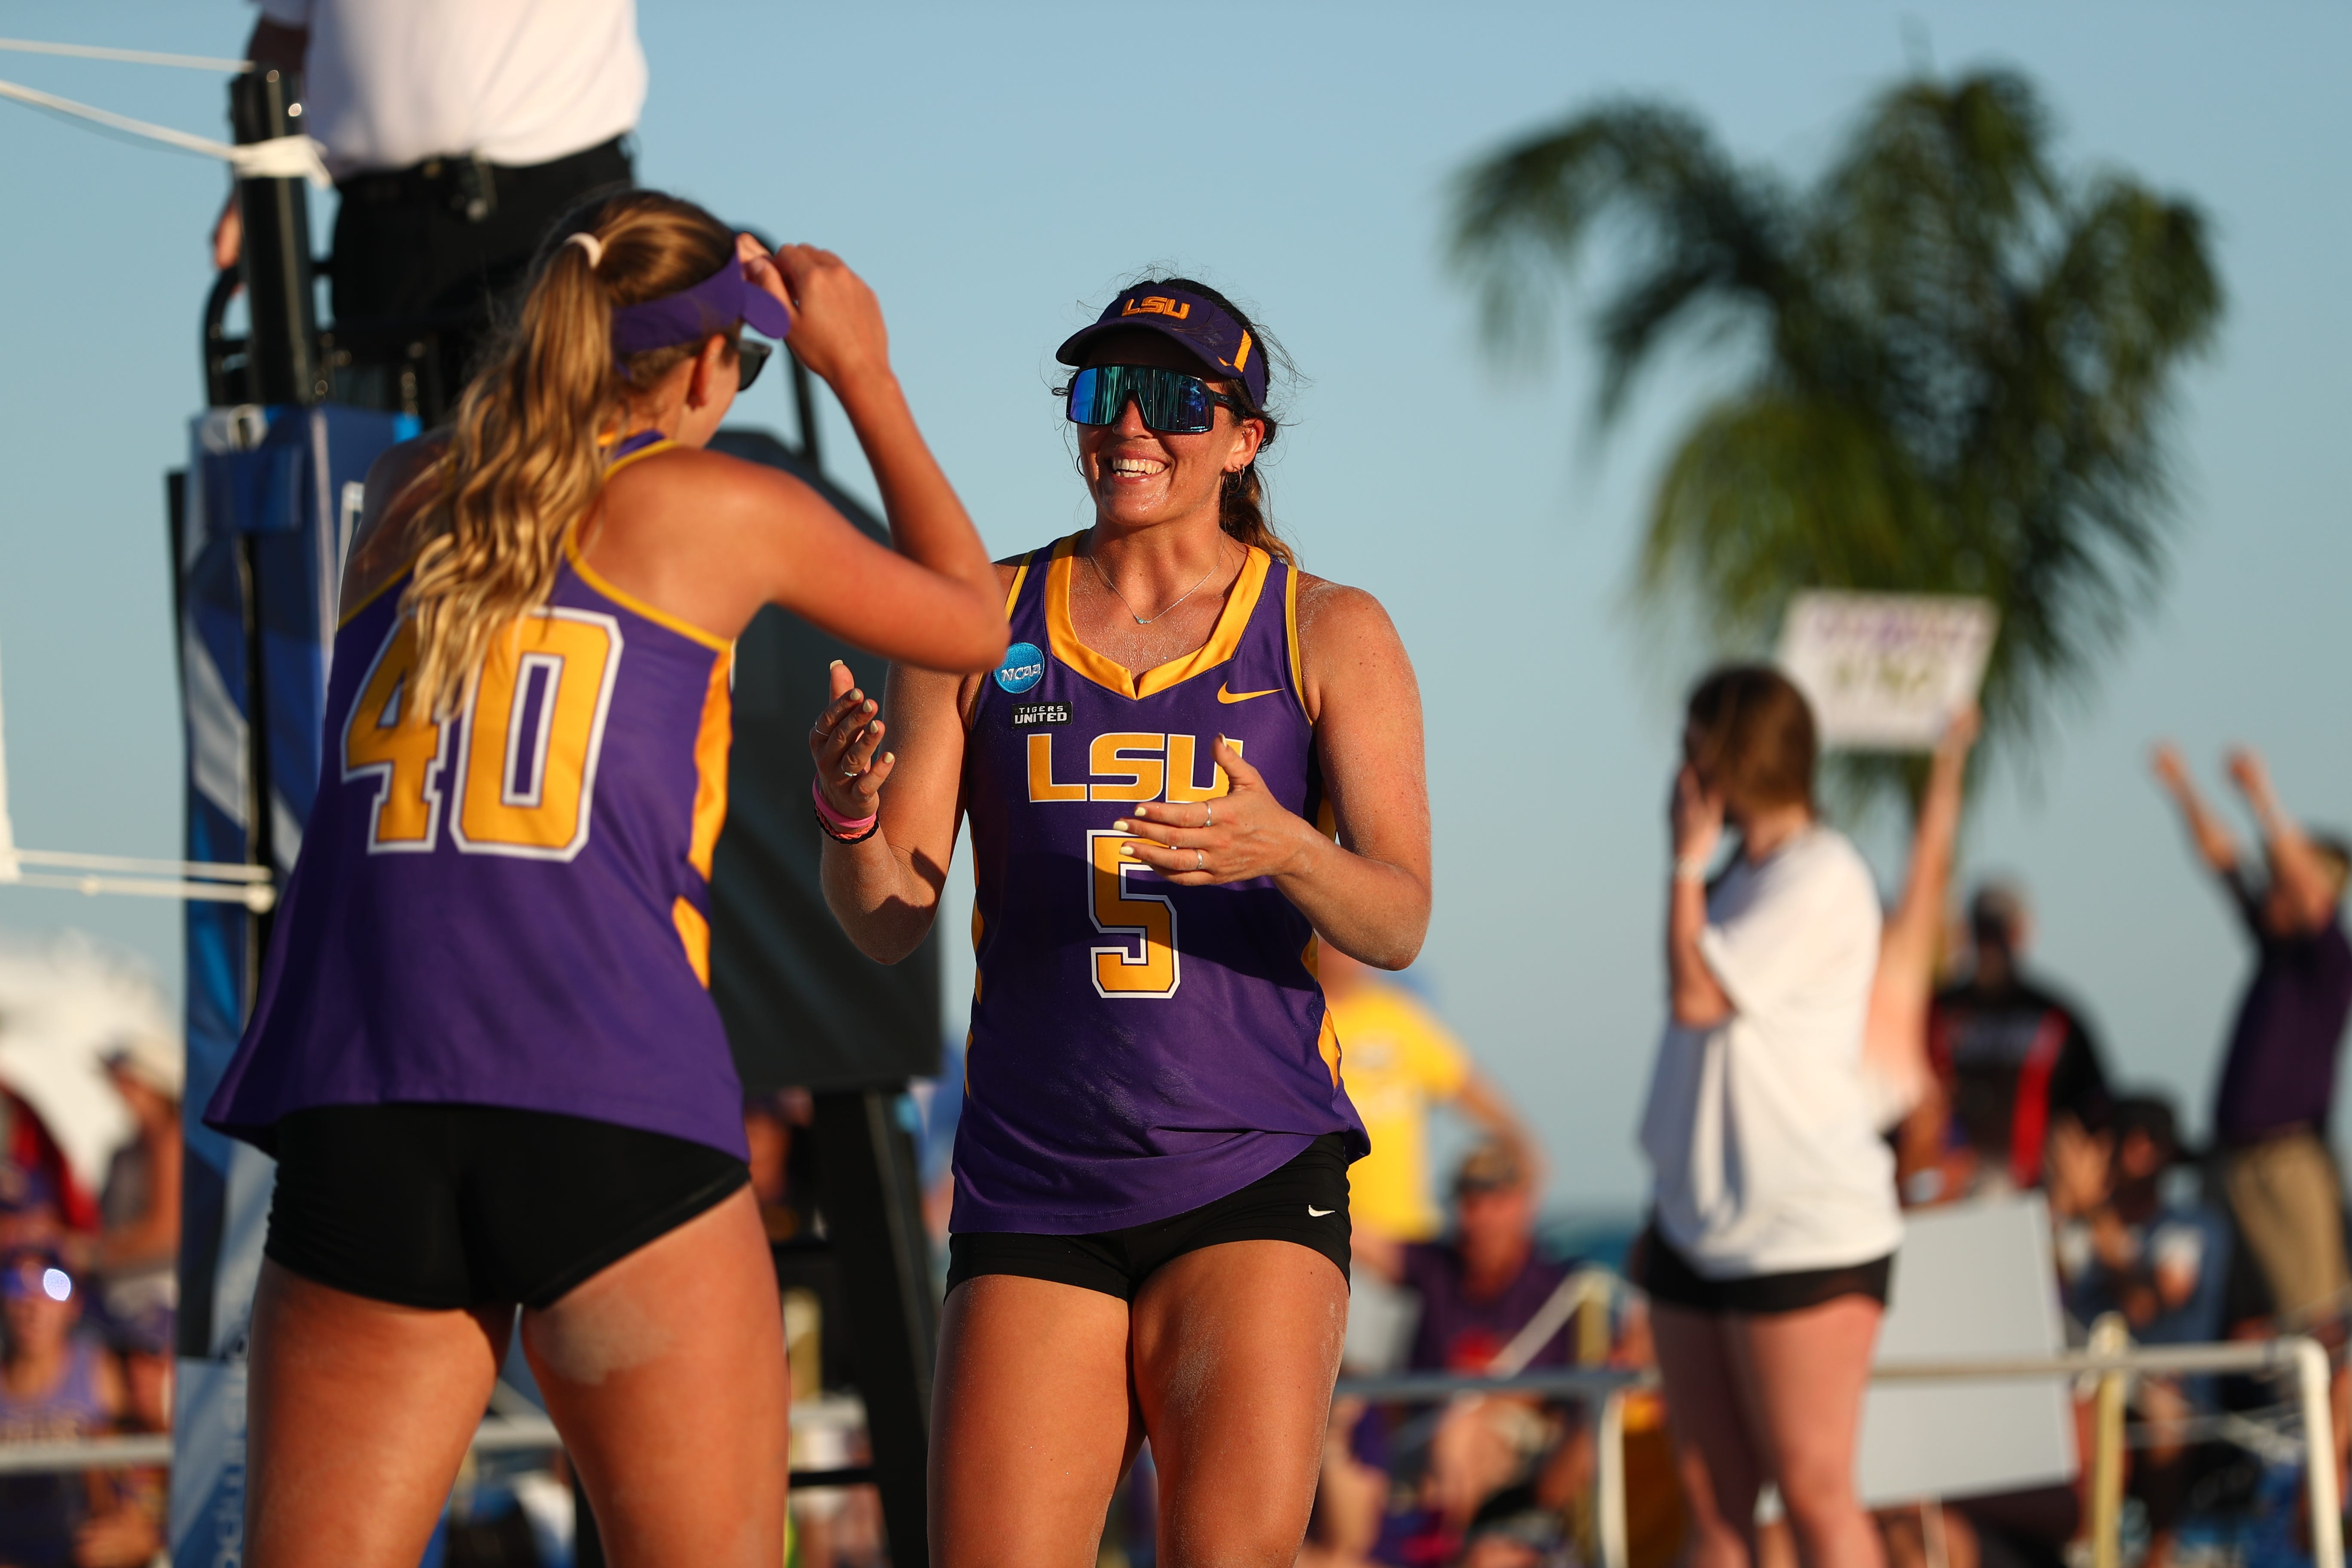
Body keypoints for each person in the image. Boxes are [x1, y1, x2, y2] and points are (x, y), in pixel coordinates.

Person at [200, 190, 1007, 1568]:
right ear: (703, 366)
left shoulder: (404, 496)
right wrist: (858, 368)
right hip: (602, 1086)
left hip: (363, 1103)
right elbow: (974, 617)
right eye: (740, 366)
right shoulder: (714, 505)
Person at [808, 278, 1430, 1566]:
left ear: (1244, 436)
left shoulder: (1327, 629)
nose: (1129, 426)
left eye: (1170, 398)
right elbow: (885, 922)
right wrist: (848, 814)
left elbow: (1398, 916)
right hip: (1034, 1183)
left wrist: (1290, 850)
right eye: (1101, 394)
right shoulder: (974, 623)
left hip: (1248, 1170)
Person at [1637, 665, 1896, 1568]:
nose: (1682, 765)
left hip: (1802, 1228)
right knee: (1714, 1505)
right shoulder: (1748, 875)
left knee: (1817, 1489)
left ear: (1735, 757)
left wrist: (1682, 861)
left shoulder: (1823, 875)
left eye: (1696, 744)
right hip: (1696, 1213)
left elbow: (1698, 994)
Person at [217, 0, 645, 416]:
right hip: (383, 234)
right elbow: (282, 37)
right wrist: (247, 196)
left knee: (572, 438)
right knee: (391, 465)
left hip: (557, 209)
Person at [2151, 743, 2352, 1327]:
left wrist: (2260, 795)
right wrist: (2182, 786)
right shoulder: (2273, 950)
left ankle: (2336, 1423)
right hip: (2230, 1164)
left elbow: (2307, 889)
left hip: (2286, 1166)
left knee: (2321, 1323)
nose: (2271, 891)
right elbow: (2223, 860)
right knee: (2239, 1323)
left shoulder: (2328, 961)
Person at [2046, 1095, 2226, 1568]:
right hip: (2075, 1383)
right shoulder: (2076, 1225)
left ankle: (2158, 1551)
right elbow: (2027, 1285)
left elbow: (2145, 1304)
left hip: (2164, 1390)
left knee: (2163, 1410)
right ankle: (2072, 1541)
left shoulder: (2192, 1225)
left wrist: (2092, 1212)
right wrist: (2059, 1205)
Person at [1907, 878, 2112, 1199]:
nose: (1991, 943)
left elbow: (2092, 1110)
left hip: (2033, 1193)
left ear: (2022, 933)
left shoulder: (2055, 1017)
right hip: (1947, 1193)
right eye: (1983, 930)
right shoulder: (1936, 1012)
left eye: (2002, 931)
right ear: (1968, 933)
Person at [1321, 946, 1535, 1243]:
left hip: (1408, 1235)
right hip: (1325, 1228)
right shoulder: (1294, 1017)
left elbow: (1468, 1088)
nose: (1342, 952)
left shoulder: (1400, 1016)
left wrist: (1524, 1155)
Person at [1862, 706, 1975, 1152]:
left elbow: (1930, 860)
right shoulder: (1888, 958)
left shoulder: (1892, 957)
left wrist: (1951, 760)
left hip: (1893, 1125)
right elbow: (1930, 860)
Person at [0, 1252, 124, 1568]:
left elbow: (128, 1484)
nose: (33, 1302)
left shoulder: (99, 1370)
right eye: (15, 1285)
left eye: (55, 1285)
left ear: (76, 1305)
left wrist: (135, 1534)